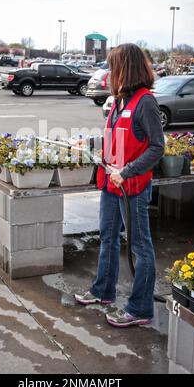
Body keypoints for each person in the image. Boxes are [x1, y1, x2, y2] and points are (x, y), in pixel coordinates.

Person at [75, 43, 165, 328]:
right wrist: (89, 145)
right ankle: (103, 291)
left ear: (128, 68)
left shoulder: (145, 102)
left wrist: (126, 172)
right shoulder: (118, 101)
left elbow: (156, 147)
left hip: (132, 188)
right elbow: (119, 140)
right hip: (111, 185)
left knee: (140, 247)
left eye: (115, 67)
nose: (110, 72)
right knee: (108, 237)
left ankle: (140, 309)